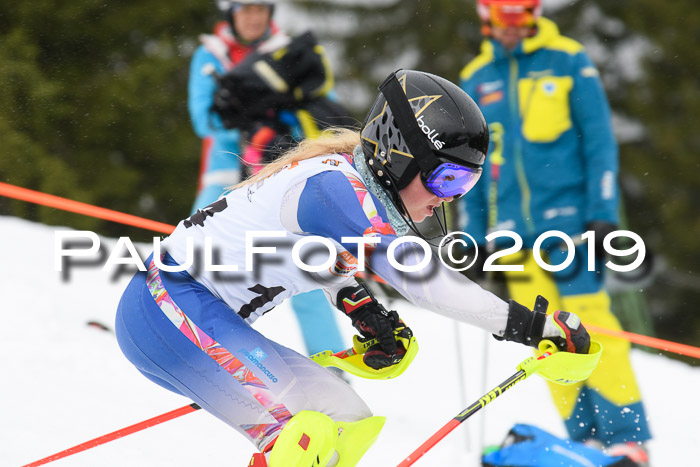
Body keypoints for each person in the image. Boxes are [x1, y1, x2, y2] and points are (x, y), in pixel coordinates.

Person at [115, 69, 593, 466]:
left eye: (464, 184)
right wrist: (532, 327)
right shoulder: (333, 188)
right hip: (166, 309)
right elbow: (423, 282)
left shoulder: (348, 185)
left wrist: (362, 309)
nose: (448, 198)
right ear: (399, 155)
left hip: (192, 318)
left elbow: (313, 254)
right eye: (446, 178)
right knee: (305, 441)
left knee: (347, 421)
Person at [459, 0, 651, 463]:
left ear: (534, 14)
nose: (510, 29)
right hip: (512, 237)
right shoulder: (475, 76)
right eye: (501, 19)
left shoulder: (567, 59)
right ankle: (581, 437)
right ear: (485, 17)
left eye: (519, 17)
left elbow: (599, 139)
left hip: (571, 228)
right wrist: (476, 235)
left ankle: (629, 437)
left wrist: (603, 210)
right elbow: (473, 166)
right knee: (546, 335)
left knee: (593, 321)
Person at [188, 0, 349, 360]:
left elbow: (325, 112)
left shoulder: (291, 50)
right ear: (231, 13)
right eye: (246, 10)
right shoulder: (209, 54)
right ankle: (197, 348)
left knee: (304, 267)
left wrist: (283, 112)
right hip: (224, 176)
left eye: (261, 9)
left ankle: (330, 359)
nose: (253, 17)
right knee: (197, 259)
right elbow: (204, 120)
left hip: (277, 173)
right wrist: (243, 111)